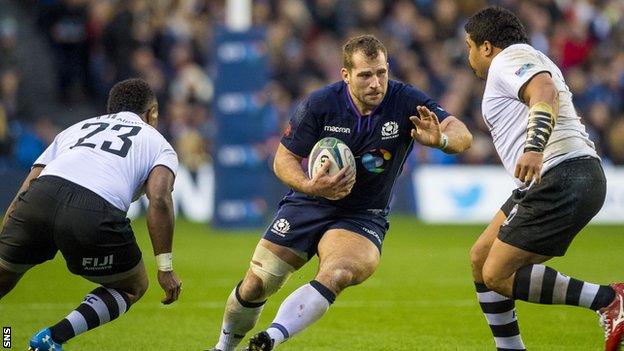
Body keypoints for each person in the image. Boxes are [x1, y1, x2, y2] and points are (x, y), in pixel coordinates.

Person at [206, 34, 473, 351]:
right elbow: (284, 159)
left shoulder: (404, 101)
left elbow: (462, 134)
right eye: (365, 75)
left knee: (338, 273)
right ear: (345, 75)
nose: (376, 83)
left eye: (381, 73)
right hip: (309, 201)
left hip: (362, 215)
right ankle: (222, 348)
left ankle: (271, 338)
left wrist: (441, 139)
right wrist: (309, 186)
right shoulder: (321, 104)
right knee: (256, 285)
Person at [464, 7, 624, 351]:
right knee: (481, 257)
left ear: (487, 47)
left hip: (563, 172)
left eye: (470, 47)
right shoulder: (524, 59)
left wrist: (534, 147)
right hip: (558, 175)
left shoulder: (510, 59)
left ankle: (609, 299)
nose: (469, 56)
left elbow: (544, 91)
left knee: (498, 273)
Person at [0, 78, 182, 351]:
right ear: (152, 113)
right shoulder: (158, 142)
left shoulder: (77, 128)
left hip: (40, 198)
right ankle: (52, 338)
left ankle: (7, 337)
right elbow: (159, 198)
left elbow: (31, 180)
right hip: (94, 210)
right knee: (132, 286)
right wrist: (165, 268)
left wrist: (7, 236)